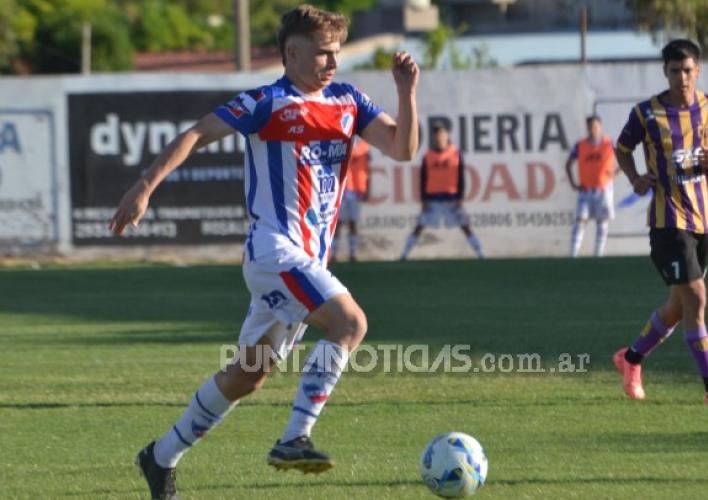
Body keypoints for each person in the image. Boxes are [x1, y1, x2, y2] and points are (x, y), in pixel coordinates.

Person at [109, 5, 419, 498]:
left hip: (306, 262)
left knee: (247, 376)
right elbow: (196, 133)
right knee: (350, 323)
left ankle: (160, 455)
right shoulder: (267, 102)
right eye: (322, 53)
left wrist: (406, 92)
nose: (332, 63)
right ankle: (294, 438)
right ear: (292, 53)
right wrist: (145, 185)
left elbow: (402, 149)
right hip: (274, 251)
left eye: (337, 53)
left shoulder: (348, 101)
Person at [612, 39, 708, 405]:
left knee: (678, 306)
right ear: (665, 72)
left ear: (697, 70)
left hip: (701, 221)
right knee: (697, 297)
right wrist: (635, 178)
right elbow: (622, 149)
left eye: (687, 70)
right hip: (667, 221)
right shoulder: (647, 113)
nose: (682, 77)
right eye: (674, 71)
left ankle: (631, 358)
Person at [400, 121, 483, 259]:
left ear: (447, 135)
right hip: (432, 199)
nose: (438, 136)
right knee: (419, 226)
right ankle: (404, 255)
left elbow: (461, 176)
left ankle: (480, 254)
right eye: (436, 133)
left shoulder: (455, 153)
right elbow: (423, 178)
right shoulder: (428, 155)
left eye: (441, 133)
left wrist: (460, 196)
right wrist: (423, 198)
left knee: (465, 226)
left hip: (451, 198)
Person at [565, 115, 617, 257]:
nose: (593, 129)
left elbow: (625, 157)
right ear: (587, 128)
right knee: (580, 221)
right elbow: (568, 164)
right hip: (586, 189)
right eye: (590, 127)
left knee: (602, 223)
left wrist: (616, 172)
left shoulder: (609, 144)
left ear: (600, 127)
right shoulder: (580, 145)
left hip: (604, 189)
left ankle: (598, 256)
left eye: (595, 126)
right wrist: (574, 184)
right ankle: (573, 255)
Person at [332, 136, 370, 261]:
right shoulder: (342, 140)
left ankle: (352, 254)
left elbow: (367, 169)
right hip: (342, 188)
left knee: (353, 222)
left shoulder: (365, 145)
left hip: (357, 190)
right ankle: (333, 254)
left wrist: (368, 189)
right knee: (338, 223)